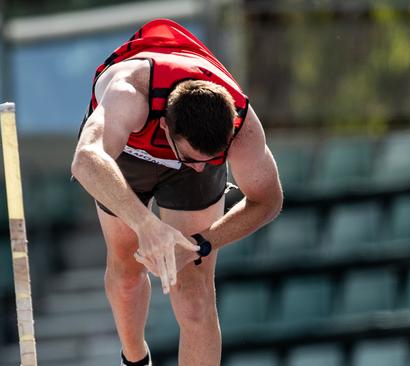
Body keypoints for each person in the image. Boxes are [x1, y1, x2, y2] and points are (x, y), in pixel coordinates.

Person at [71, 18, 283, 366]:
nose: (200, 166)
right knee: (127, 266)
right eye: (191, 157)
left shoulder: (242, 125)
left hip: (184, 151)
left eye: (212, 159)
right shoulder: (130, 93)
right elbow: (85, 160)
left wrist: (203, 242)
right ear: (165, 124)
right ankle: (135, 359)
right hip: (129, 152)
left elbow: (268, 200)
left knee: (195, 293)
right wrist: (146, 225)